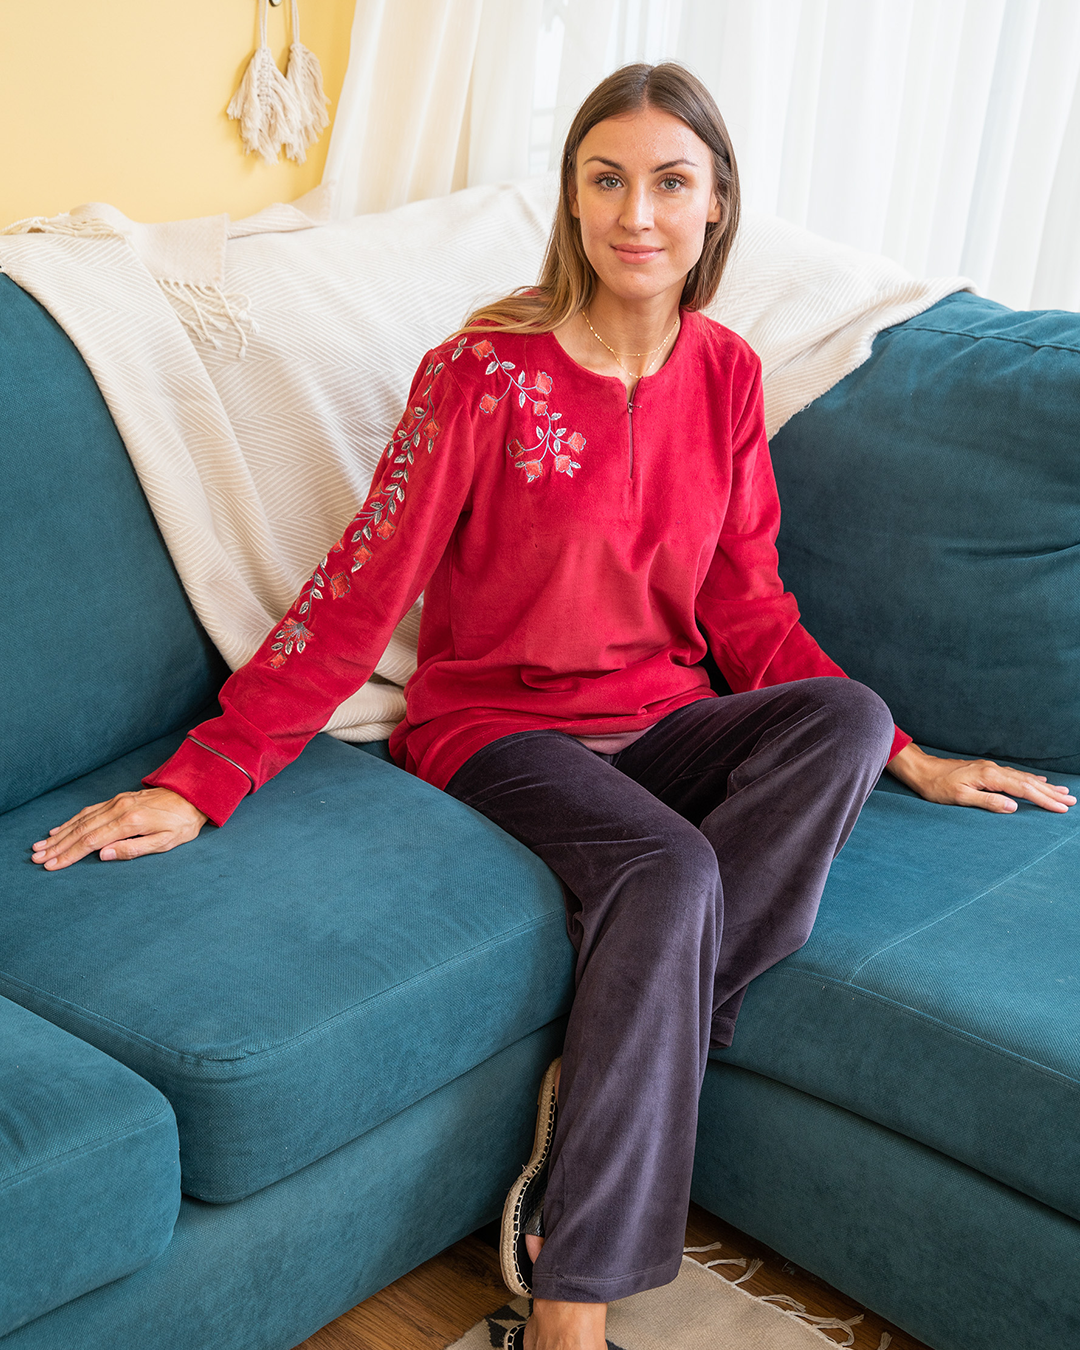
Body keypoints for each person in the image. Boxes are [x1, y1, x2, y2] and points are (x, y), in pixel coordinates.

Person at [33, 62, 1073, 1350]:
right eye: (607, 179)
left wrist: (911, 755)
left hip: (664, 722)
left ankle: (627, 1047)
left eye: (670, 183)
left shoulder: (729, 376)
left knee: (846, 721)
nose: (638, 213)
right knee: (670, 870)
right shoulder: (483, 373)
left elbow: (748, 607)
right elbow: (361, 588)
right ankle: (569, 1309)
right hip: (498, 735)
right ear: (574, 202)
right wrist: (204, 775)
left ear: (715, 207)